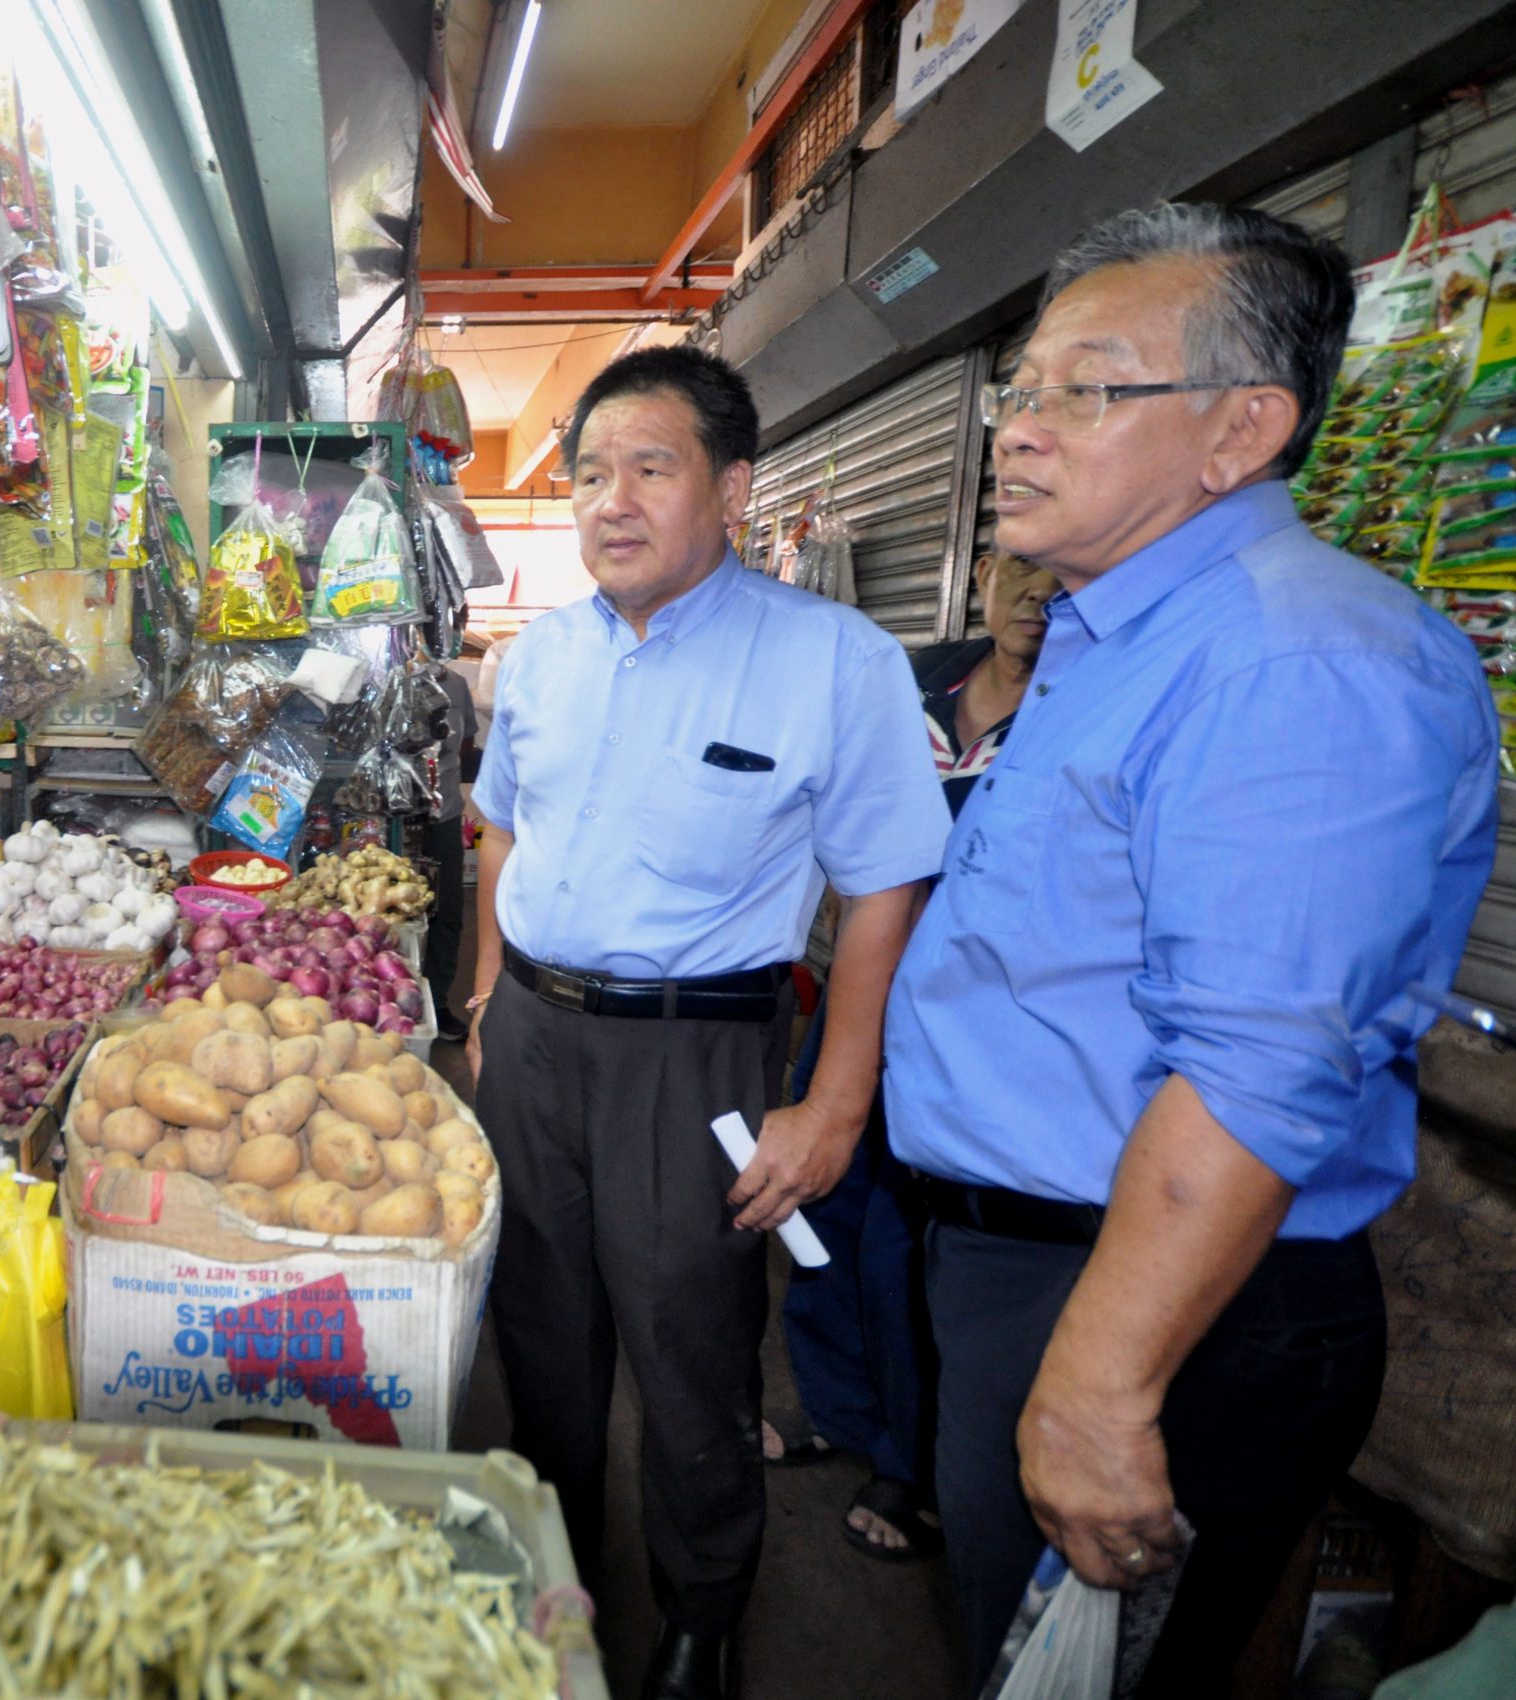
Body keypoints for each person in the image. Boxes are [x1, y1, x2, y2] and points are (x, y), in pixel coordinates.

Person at [883, 203, 1498, 1696]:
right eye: (1018, 392)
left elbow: (1255, 1065)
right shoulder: (1121, 639)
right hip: (1033, 1266)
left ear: (1242, 432)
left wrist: (1103, 1385)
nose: (1017, 433)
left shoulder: (1298, 661)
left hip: (1164, 1305)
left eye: (1083, 390)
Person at [463, 344, 949, 1700]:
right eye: (589, 475)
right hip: (539, 1043)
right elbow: (500, 827)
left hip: (699, 1055)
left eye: (649, 469)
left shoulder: (834, 662)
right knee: (543, 1337)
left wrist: (837, 1102)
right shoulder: (544, 657)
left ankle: (702, 1610)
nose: (609, 502)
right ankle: (564, 1579)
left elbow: (882, 889)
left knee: (689, 1347)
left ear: (733, 487)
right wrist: (489, 991)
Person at [775, 548, 1058, 1563]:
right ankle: (832, 1404)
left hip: (967, 1033)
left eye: (1061, 574)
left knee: (907, 1247)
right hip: (859, 1002)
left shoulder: (1080, 709)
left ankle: (911, 1457)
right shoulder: (913, 679)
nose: (1037, 593)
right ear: (983, 571)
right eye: (1019, 569)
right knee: (817, 1208)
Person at [424, 638, 478, 1040]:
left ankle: (437, 1004)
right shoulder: (384, 677)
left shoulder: (457, 685)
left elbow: (464, 745)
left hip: (443, 815)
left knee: (448, 912)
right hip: (389, 814)